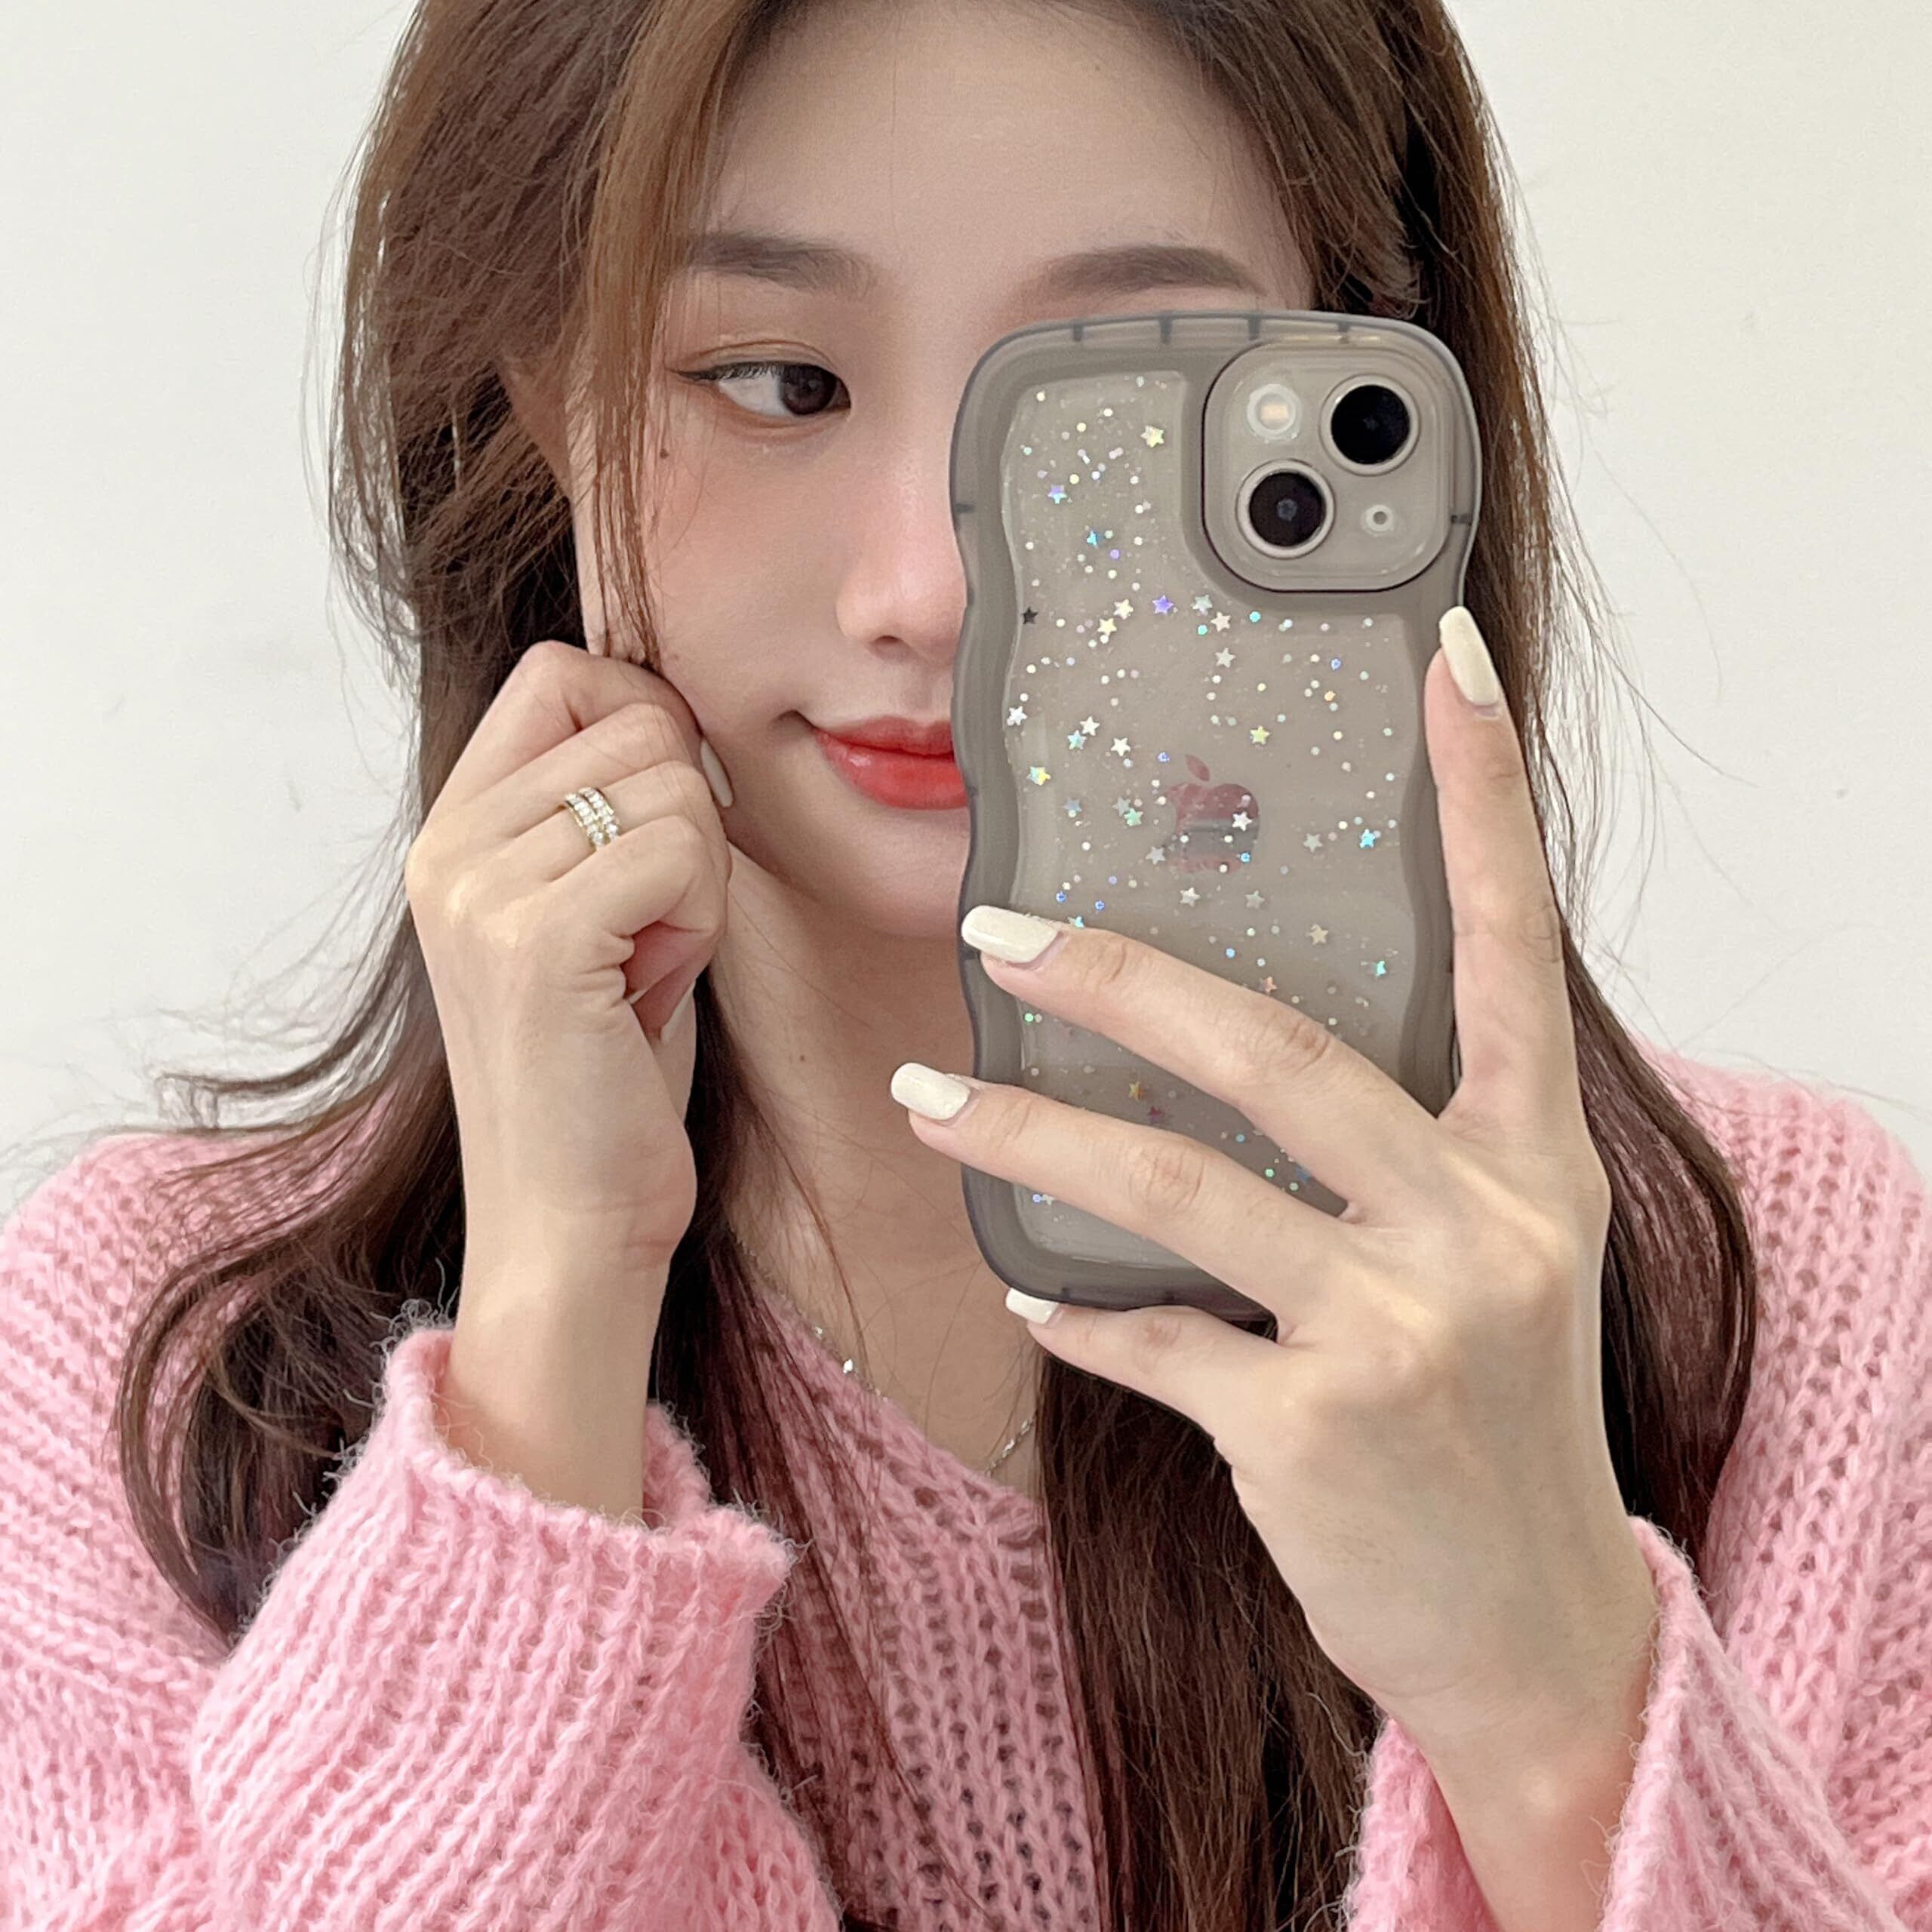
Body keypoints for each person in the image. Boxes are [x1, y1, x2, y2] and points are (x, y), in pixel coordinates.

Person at [2, 0, 1926, 1927]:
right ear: (538, 398)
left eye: (1097, 404)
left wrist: (1556, 1693)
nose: (929, 589)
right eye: (775, 381)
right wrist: (538, 1365)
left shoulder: (1781, 1300)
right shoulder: (153, 1365)